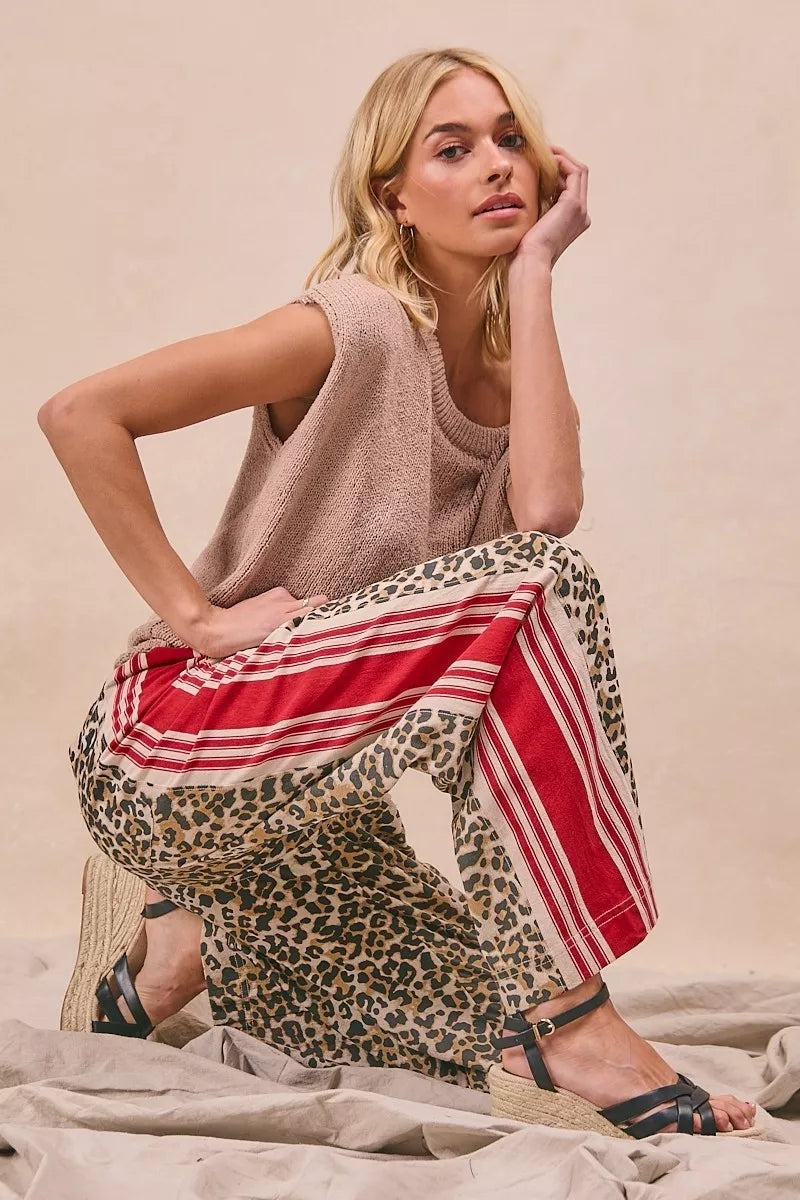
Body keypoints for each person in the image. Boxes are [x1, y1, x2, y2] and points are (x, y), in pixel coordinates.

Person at [39, 47, 758, 1140]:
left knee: (475, 1028)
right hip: (180, 739)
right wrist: (194, 617)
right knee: (539, 588)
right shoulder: (355, 323)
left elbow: (546, 510)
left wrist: (534, 276)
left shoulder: (518, 384)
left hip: (314, 807)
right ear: (395, 198)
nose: (493, 166)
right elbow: (80, 414)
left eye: (510, 139)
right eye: (451, 148)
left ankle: (159, 960)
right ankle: (571, 1013)